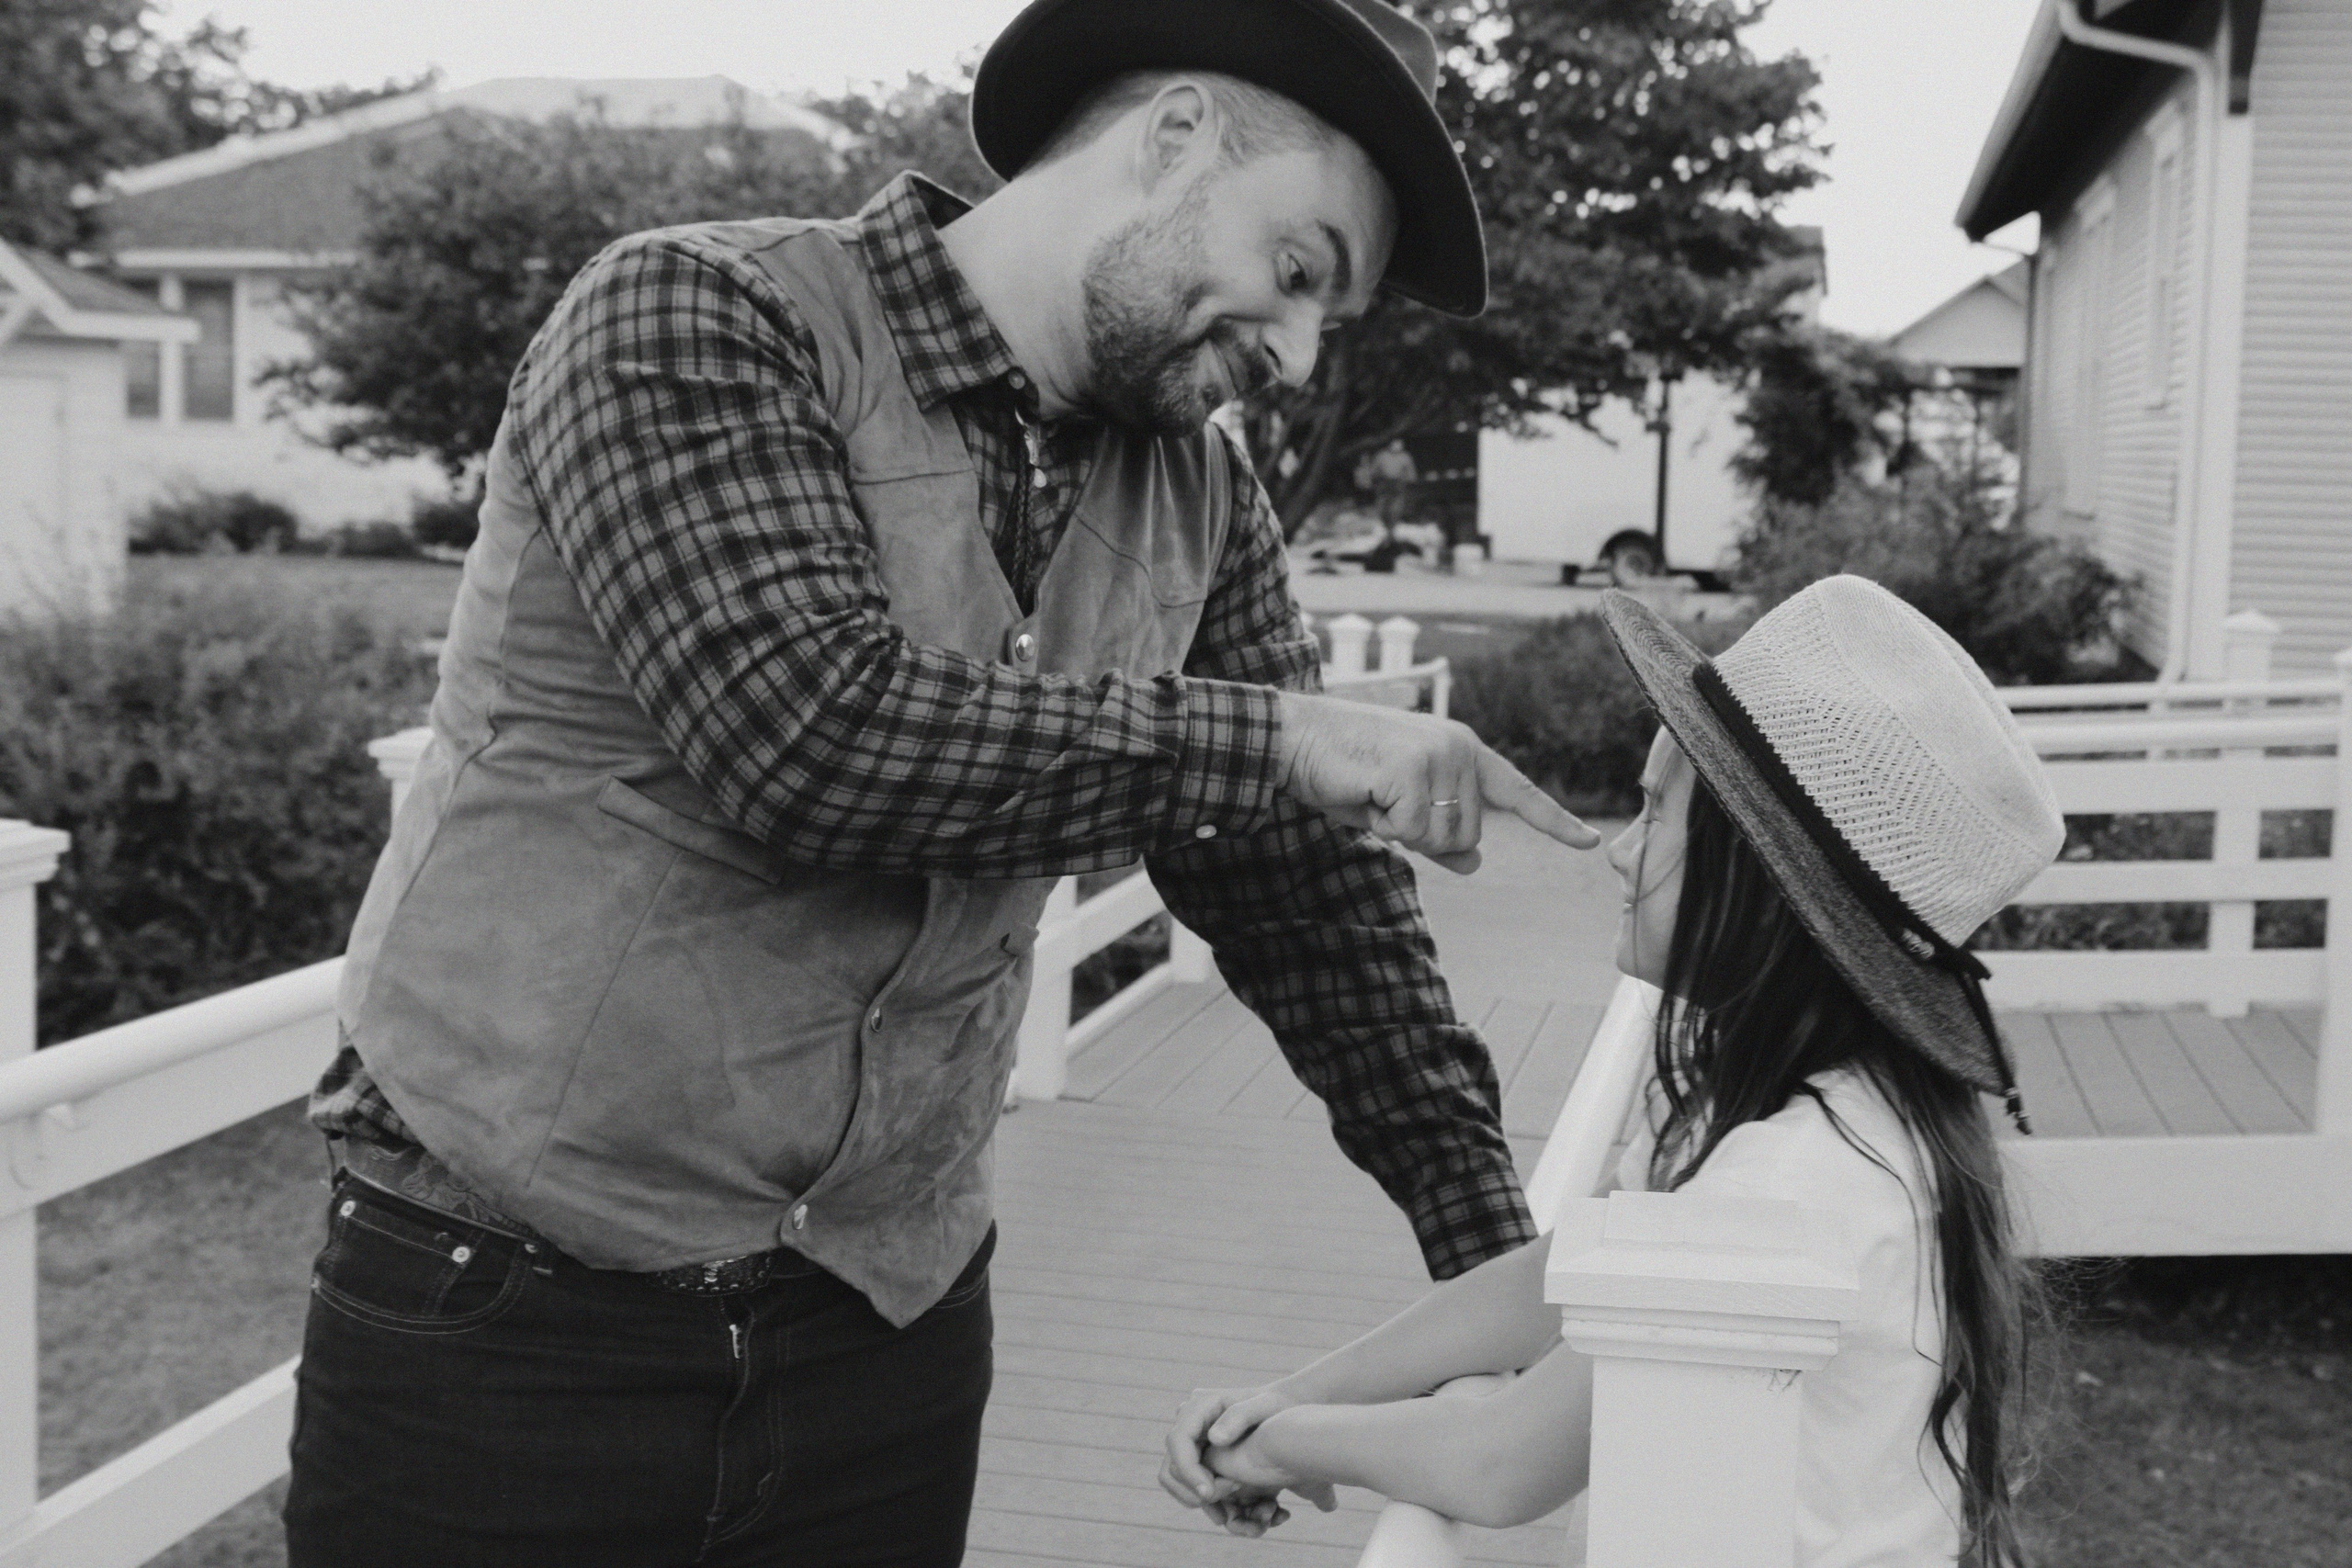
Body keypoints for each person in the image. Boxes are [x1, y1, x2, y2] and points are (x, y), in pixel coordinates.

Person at [281, 2, 1598, 1564]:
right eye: (1299, 272)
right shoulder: (695, 312)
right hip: (506, 1311)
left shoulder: (1206, 492)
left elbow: (1303, 896)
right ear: (1171, 139)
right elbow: (808, 733)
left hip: (885, 1329)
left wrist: (1504, 1281)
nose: (1299, 352)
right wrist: (1290, 738)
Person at [1162, 575, 2064, 1567]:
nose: (1621, 854)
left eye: (1654, 815)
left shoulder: (1789, 1182)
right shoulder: (1832, 1110)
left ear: (1757, 882)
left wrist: (1272, 1443)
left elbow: (1501, 1465)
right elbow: (1550, 1281)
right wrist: (1301, 1393)